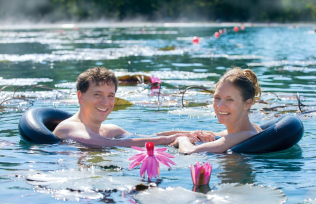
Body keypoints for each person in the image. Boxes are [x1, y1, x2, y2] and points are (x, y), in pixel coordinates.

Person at [53, 67, 191, 147]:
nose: (105, 103)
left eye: (111, 96)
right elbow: (102, 143)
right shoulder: (69, 127)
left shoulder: (111, 130)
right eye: (97, 94)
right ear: (80, 96)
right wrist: (166, 140)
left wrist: (189, 134)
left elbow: (145, 137)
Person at [170, 67, 262, 154]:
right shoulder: (247, 128)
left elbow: (189, 151)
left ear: (247, 104)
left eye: (230, 99)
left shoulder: (245, 136)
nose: (220, 105)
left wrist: (182, 140)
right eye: (217, 98)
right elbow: (216, 134)